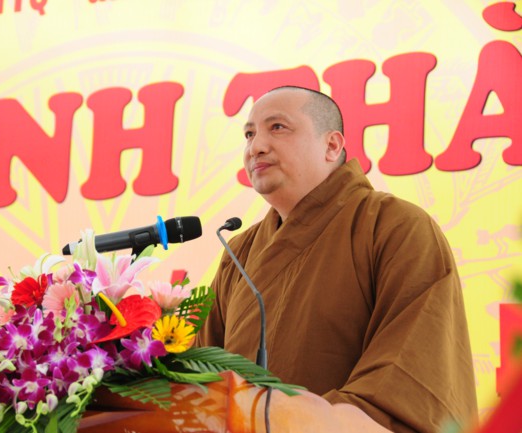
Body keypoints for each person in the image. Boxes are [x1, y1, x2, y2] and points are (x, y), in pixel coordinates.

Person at [196, 86, 477, 433]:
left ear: (331, 145)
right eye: (249, 134)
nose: (256, 147)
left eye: (277, 127)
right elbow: (199, 374)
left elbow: (410, 379)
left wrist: (296, 420)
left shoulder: (395, 226)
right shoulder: (240, 252)